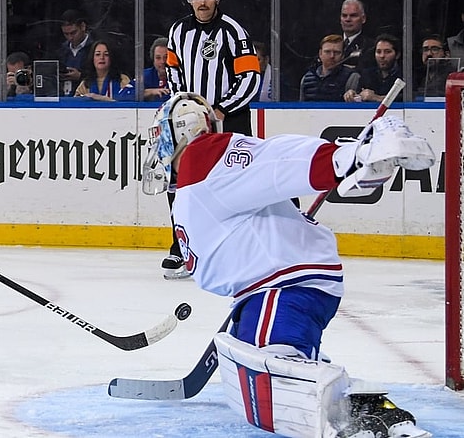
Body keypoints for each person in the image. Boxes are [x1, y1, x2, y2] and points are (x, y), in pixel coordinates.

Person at [141, 92, 435, 438]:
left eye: (159, 134)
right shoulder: (197, 178)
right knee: (263, 367)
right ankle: (377, 414)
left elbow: (273, 161)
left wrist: (347, 159)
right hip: (268, 293)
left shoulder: (202, 156)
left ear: (179, 132)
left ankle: (364, 425)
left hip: (279, 288)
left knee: (275, 378)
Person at [163, 0, 261, 279]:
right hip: (191, 122)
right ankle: (182, 247)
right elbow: (173, 71)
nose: (202, 1)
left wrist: (220, 109)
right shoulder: (178, 31)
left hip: (229, 120)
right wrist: (184, 103)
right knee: (181, 182)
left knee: (234, 184)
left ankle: (241, 248)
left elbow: (250, 78)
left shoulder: (233, 31)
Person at [344, 33, 402, 103]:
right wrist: (352, 95)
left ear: (397, 55)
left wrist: (377, 98)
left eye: (387, 52)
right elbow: (359, 95)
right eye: (378, 52)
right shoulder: (367, 74)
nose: (382, 56)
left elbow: (408, 99)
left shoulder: (406, 76)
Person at [300, 34, 360, 102]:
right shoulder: (307, 78)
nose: (332, 56)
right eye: (327, 52)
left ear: (343, 55)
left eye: (337, 52)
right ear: (320, 54)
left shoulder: (351, 77)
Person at [55, 9, 94, 97]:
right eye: (66, 34)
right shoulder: (60, 50)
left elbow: (102, 75)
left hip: (87, 99)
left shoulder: (96, 48)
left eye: (73, 33)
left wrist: (81, 76)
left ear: (83, 26)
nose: (70, 38)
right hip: (63, 97)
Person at [339, 0, 374, 70]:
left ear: (363, 18)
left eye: (353, 15)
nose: (348, 19)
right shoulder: (330, 43)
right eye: (344, 15)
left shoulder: (371, 46)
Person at [141, 37, 171, 102]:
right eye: (158, 58)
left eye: (166, 57)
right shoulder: (144, 76)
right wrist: (150, 92)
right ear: (153, 59)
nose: (162, 61)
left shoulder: (182, 77)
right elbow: (123, 94)